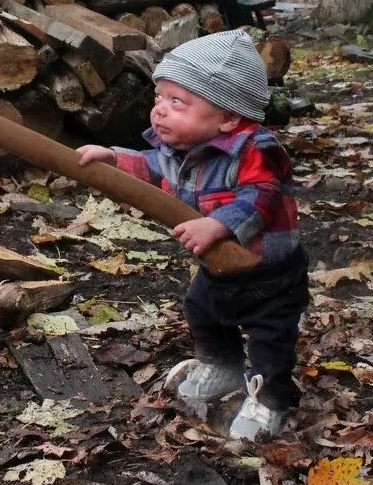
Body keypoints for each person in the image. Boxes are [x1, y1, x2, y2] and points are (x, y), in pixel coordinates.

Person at [76, 30, 307, 440]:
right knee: (202, 310)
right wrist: (112, 158)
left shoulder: (256, 148)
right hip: (218, 268)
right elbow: (150, 167)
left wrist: (218, 225)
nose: (159, 111)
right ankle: (222, 366)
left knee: (270, 338)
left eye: (177, 101)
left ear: (228, 117)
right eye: (158, 99)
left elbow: (262, 195)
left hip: (270, 274)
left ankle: (271, 399)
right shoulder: (179, 150)